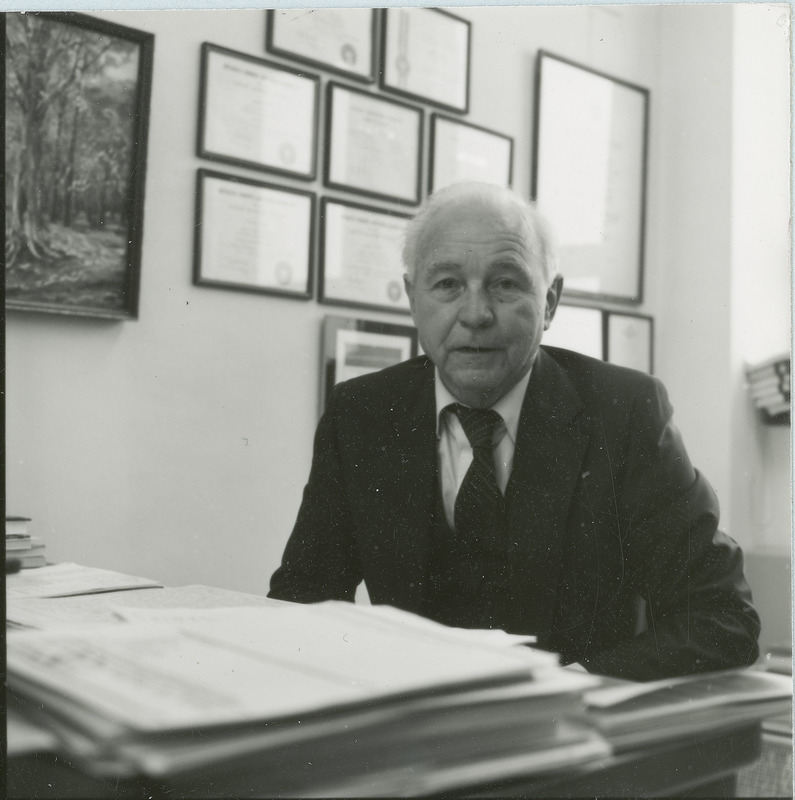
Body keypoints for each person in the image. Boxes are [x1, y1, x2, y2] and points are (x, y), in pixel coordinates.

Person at [269, 181, 760, 681]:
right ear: (413, 300)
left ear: (549, 301)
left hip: (574, 730)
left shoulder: (625, 413)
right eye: (447, 285)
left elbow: (723, 619)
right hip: (414, 734)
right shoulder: (362, 414)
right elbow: (302, 602)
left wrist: (564, 690)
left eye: (505, 283)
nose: (476, 314)